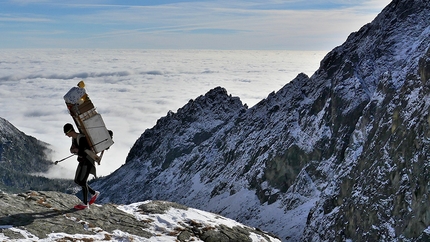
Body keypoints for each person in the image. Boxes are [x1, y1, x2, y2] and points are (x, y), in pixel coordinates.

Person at [63, 123, 100, 210]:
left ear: (70, 131)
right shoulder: (74, 138)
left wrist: (77, 150)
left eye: (66, 133)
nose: (66, 135)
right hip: (82, 161)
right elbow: (73, 149)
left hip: (87, 161)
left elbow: (84, 151)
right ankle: (94, 193)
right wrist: (74, 150)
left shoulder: (81, 138)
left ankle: (85, 203)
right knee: (77, 180)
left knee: (82, 181)